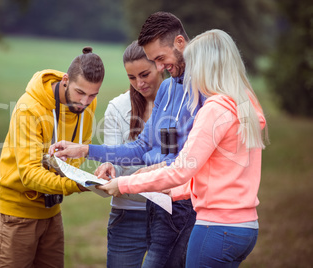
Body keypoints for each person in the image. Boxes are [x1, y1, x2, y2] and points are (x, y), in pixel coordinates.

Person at [98, 29, 269, 267]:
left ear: (206, 66)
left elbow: (181, 168)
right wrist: (175, 192)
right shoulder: (244, 104)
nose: (190, 74)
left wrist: (124, 184)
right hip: (246, 228)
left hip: (215, 228)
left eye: (193, 65)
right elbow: (220, 173)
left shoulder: (214, 109)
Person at [49, 12, 205, 267]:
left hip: (182, 205)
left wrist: (134, 179)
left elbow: (193, 158)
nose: (159, 68)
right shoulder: (167, 89)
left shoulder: (202, 88)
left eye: (159, 60)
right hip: (155, 206)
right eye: (155, 61)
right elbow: (141, 147)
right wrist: (85, 150)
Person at [0, 47, 105, 268]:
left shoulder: (87, 103)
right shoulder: (29, 109)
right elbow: (30, 175)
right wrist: (79, 183)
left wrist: (82, 174)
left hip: (51, 210)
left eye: (93, 95)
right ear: (66, 80)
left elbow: (81, 148)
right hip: (14, 213)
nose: (85, 102)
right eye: (80, 92)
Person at [94, 40, 165, 267]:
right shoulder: (117, 107)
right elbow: (115, 155)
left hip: (170, 213)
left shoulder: (179, 101)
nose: (139, 84)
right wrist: (108, 166)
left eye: (145, 74)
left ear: (160, 66)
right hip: (128, 212)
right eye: (132, 78)